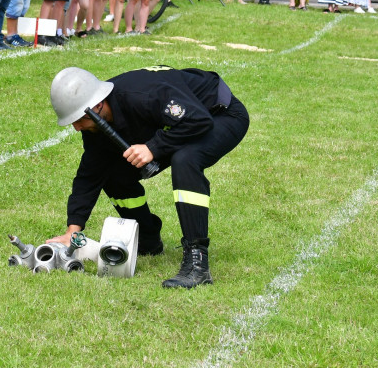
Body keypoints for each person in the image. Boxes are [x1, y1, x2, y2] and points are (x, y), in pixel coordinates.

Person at [46, 65, 250, 289]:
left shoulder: (141, 96)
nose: (76, 128)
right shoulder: (95, 125)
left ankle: (197, 263)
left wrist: (154, 147)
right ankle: (148, 239)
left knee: (186, 159)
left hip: (218, 113)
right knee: (114, 174)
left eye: (78, 119)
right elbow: (90, 173)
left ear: (97, 106)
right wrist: (72, 231)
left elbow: (198, 120)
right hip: (179, 124)